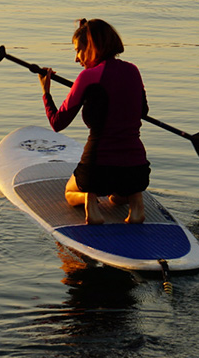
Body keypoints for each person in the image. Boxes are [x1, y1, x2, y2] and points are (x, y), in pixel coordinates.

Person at [38, 19, 150, 225]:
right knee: (118, 197)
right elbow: (143, 111)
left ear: (92, 47)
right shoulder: (133, 70)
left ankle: (91, 204)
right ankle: (136, 206)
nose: (76, 58)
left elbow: (57, 122)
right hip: (136, 170)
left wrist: (46, 92)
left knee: (69, 192)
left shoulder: (87, 77)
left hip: (97, 170)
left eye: (79, 50)